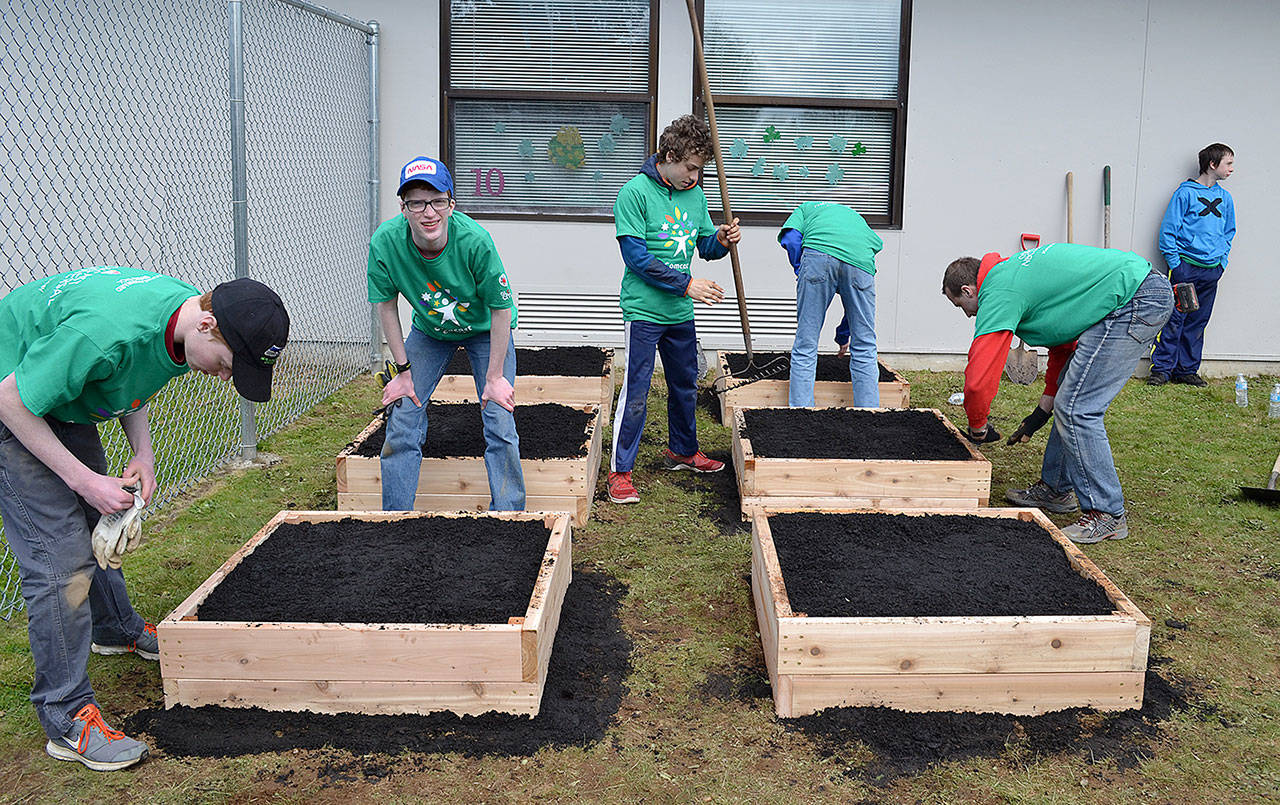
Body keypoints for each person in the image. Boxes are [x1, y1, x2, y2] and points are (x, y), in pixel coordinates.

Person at [0, 267, 289, 770]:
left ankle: (113, 628)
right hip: (12, 396)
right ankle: (66, 717)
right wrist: (83, 479)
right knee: (60, 560)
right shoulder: (104, 332)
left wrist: (144, 453)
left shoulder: (182, 320)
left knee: (102, 517)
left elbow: (133, 373)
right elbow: (14, 399)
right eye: (227, 365)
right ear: (206, 326)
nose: (225, 378)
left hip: (60, 393)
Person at [942, 243, 1172, 544]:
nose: (967, 315)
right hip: (1129, 295)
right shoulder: (1009, 276)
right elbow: (1063, 346)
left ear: (969, 290)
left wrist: (978, 427)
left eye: (961, 306)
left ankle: (1107, 515)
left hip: (1134, 300)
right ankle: (1055, 490)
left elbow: (979, 377)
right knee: (1069, 400)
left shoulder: (999, 292)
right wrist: (1039, 415)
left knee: (1078, 408)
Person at [368, 156, 524, 511]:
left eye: (437, 200)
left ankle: (511, 517)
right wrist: (404, 372)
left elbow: (501, 309)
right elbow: (386, 306)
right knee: (403, 413)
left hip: (485, 330)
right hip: (430, 332)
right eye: (417, 202)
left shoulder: (475, 241)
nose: (428, 212)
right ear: (403, 208)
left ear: (451, 204)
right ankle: (394, 520)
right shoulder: (386, 243)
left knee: (499, 415)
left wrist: (496, 376)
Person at [607, 115, 741, 504]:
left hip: (680, 313)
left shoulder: (695, 196)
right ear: (668, 156)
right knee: (636, 389)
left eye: (701, 170)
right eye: (691, 167)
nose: (695, 177)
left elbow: (705, 247)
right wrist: (687, 285)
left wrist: (721, 238)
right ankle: (620, 472)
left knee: (686, 385)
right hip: (644, 312)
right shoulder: (633, 194)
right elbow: (636, 258)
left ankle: (682, 451)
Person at [778, 201, 883, 407]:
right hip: (860, 259)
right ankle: (870, 414)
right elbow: (857, 310)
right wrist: (844, 335)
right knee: (864, 345)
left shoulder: (805, 209)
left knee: (806, 343)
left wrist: (801, 268)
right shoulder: (857, 220)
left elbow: (791, 239)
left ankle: (800, 412)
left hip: (818, 255)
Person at [1148, 143, 1236, 387]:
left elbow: (1229, 232)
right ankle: (1162, 369)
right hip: (1186, 267)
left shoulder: (1225, 198)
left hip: (1211, 270)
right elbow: (1168, 231)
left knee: (1198, 321)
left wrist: (1221, 263)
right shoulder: (1185, 194)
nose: (1232, 169)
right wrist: (1177, 265)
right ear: (1212, 164)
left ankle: (1186, 369)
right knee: (1175, 317)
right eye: (1228, 163)